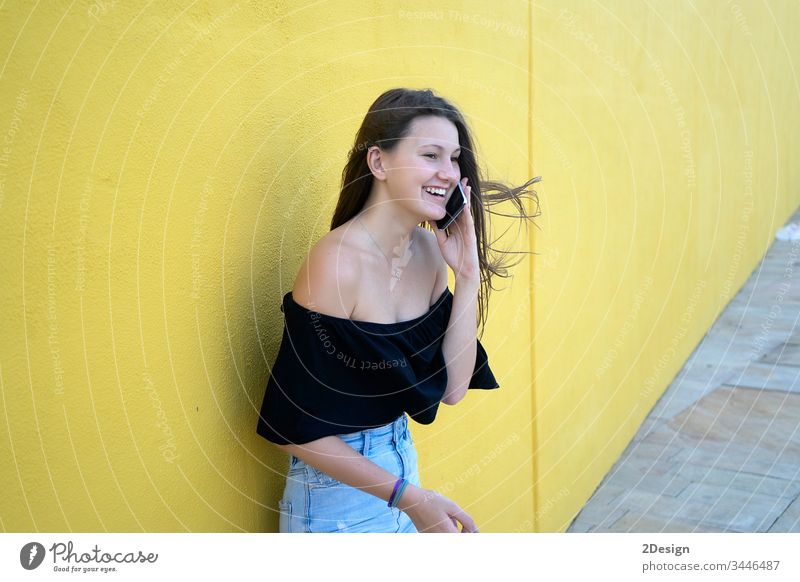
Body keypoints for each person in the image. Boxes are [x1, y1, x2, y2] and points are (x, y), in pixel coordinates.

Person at [256, 87, 540, 533]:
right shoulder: (336, 263)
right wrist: (409, 499)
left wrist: (466, 277)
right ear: (378, 162)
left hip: (402, 473)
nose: (447, 173)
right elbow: (293, 427)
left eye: (454, 159)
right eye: (431, 155)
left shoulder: (429, 252)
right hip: (337, 501)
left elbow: (453, 388)